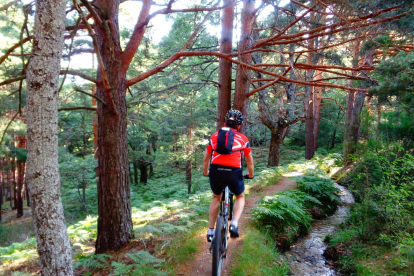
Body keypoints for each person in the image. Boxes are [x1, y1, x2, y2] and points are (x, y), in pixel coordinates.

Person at [203, 109, 254, 242]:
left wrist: (205, 172)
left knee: (216, 197)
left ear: (225, 123)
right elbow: (249, 161)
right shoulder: (243, 139)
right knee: (240, 196)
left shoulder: (214, 136)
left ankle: (210, 231)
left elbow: (206, 159)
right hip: (233, 172)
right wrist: (251, 175)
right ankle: (234, 224)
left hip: (215, 171)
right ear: (239, 125)